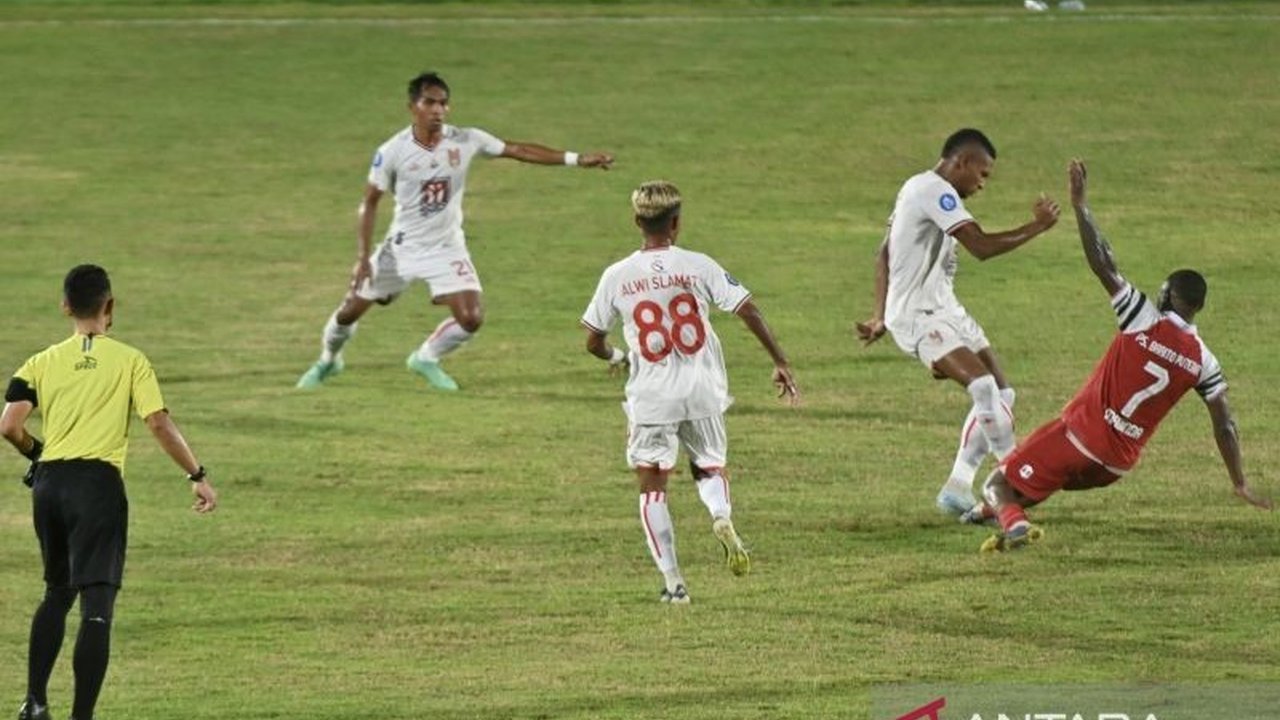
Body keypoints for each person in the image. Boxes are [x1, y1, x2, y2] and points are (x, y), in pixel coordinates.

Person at [971, 159, 1271, 552]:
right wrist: (1239, 482)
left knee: (997, 482)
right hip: (1115, 465)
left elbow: (1103, 263)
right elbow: (1225, 423)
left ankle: (1013, 525)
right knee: (1041, 469)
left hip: (1079, 438)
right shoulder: (1204, 361)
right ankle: (987, 512)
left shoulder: (1143, 319)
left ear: (1165, 296)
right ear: (1198, 308)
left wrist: (1080, 206)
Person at [296, 71, 615, 392]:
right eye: (429, 102)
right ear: (412, 107)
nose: (438, 109)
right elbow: (369, 203)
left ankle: (425, 358)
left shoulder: (465, 139)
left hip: (446, 247)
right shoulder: (392, 151)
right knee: (348, 313)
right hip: (401, 248)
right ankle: (328, 360)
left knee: (471, 318)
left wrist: (577, 159)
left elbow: (518, 150)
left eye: (443, 103)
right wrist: (363, 258)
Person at [2, 265, 218, 720]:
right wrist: (196, 474)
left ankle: (34, 702)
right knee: (96, 605)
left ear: (65, 306)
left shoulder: (39, 362)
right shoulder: (130, 360)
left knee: (57, 592)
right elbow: (157, 422)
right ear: (110, 305)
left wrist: (37, 454)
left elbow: (9, 425)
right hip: (96, 486)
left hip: (49, 484)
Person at [581, 181, 800, 604]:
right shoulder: (698, 265)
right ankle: (720, 515)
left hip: (651, 397)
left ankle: (674, 584)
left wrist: (616, 356)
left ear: (637, 222)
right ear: (676, 223)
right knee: (710, 467)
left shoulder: (617, 275)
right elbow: (748, 309)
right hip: (703, 390)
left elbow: (592, 340)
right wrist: (780, 362)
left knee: (652, 486)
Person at [857, 128, 1060, 516]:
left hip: (946, 309)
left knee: (1003, 394)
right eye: (982, 174)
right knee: (982, 386)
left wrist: (878, 315)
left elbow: (883, 254)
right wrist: (1037, 226)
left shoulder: (916, 189)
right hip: (917, 314)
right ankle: (1013, 477)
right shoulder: (933, 190)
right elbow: (981, 247)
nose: (982, 184)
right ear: (962, 162)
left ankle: (957, 486)